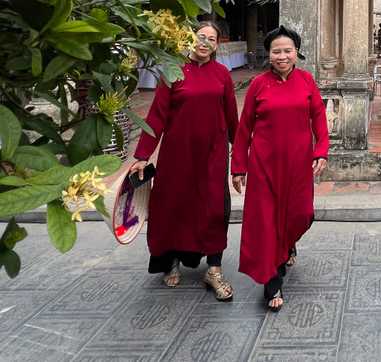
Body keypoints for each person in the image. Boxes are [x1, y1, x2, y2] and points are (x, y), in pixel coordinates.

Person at [129, 21, 239, 300]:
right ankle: (172, 258)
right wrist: (142, 155)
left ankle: (214, 269)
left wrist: (239, 149)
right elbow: (157, 115)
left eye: (212, 39)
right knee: (174, 205)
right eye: (201, 37)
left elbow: (231, 116)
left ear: (217, 45)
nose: (205, 43)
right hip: (177, 153)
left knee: (216, 207)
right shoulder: (173, 72)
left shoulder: (222, 74)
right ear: (191, 39)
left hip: (212, 155)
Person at [231, 25, 329, 311]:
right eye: (276, 51)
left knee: (302, 214)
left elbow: (319, 119)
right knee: (267, 221)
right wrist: (239, 167)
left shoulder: (307, 80)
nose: (282, 56)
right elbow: (244, 128)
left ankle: (287, 244)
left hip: (298, 163)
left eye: (287, 50)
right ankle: (272, 280)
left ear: (297, 52)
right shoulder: (258, 85)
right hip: (263, 165)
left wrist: (320, 151)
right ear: (269, 54)